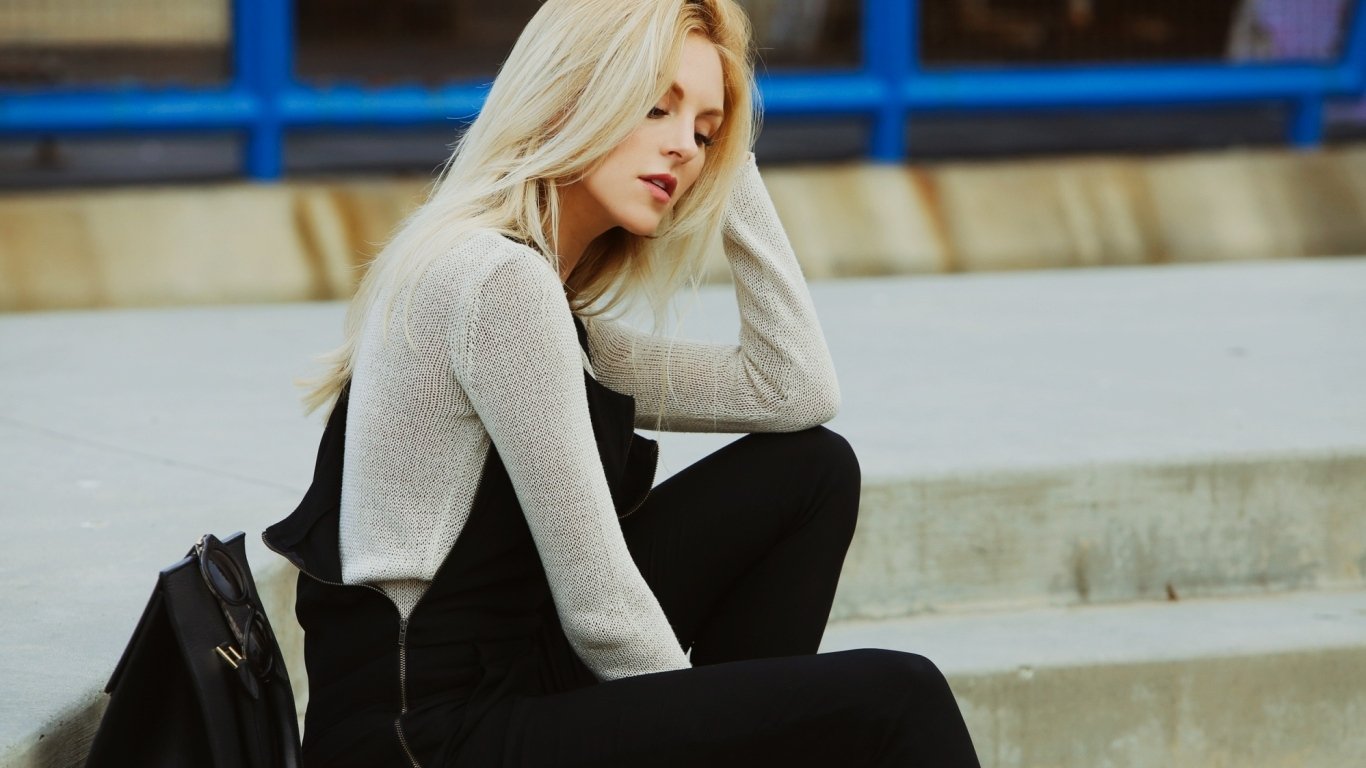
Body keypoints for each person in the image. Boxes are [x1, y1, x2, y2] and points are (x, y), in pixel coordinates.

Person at [264, 0, 981, 765]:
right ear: (572, 94)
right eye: (655, 108)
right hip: (426, 739)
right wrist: (727, 729)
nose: (683, 149)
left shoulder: (540, 299)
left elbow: (792, 389)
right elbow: (601, 610)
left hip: (510, 681)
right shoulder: (494, 283)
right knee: (901, 694)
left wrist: (730, 155)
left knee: (810, 471)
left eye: (703, 132)